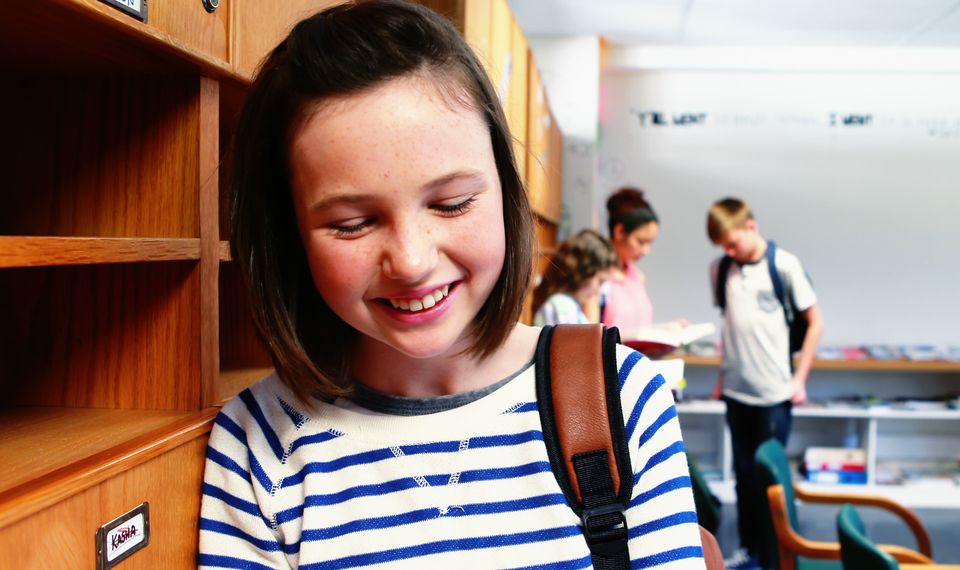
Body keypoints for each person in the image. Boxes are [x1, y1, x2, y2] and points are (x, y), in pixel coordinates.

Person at [197, 2, 704, 568]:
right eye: (352, 224)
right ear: (289, 234)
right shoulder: (258, 445)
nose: (411, 262)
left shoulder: (620, 399)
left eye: (452, 203)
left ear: (506, 191)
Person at [706, 198, 824, 570]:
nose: (728, 251)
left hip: (775, 394)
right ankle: (749, 549)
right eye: (722, 246)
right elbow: (731, 326)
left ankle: (777, 557)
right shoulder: (721, 268)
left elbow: (816, 323)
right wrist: (722, 378)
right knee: (742, 479)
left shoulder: (784, 266)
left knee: (769, 481)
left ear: (751, 228)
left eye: (732, 243)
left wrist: (799, 380)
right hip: (737, 393)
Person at [600, 187, 660, 334]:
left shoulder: (637, 277)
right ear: (619, 232)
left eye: (649, 243)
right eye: (641, 242)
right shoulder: (598, 277)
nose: (646, 251)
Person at [532, 229, 618, 326]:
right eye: (600, 281)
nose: (598, 290)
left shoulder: (565, 305)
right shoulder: (562, 306)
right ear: (584, 272)